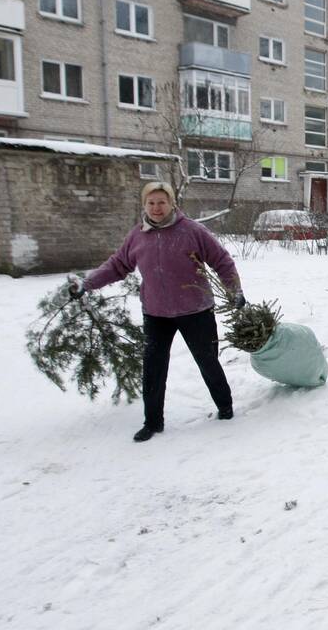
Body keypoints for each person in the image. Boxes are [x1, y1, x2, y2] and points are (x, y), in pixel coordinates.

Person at [68, 181, 245, 442]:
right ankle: (152, 421)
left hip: (195, 310)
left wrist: (234, 290)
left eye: (162, 202)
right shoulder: (137, 236)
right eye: (151, 203)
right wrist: (87, 283)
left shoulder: (192, 231)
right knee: (153, 368)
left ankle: (225, 407)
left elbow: (222, 260)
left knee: (207, 361)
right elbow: (117, 265)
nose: (156, 208)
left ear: (172, 203)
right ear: (144, 205)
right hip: (156, 313)